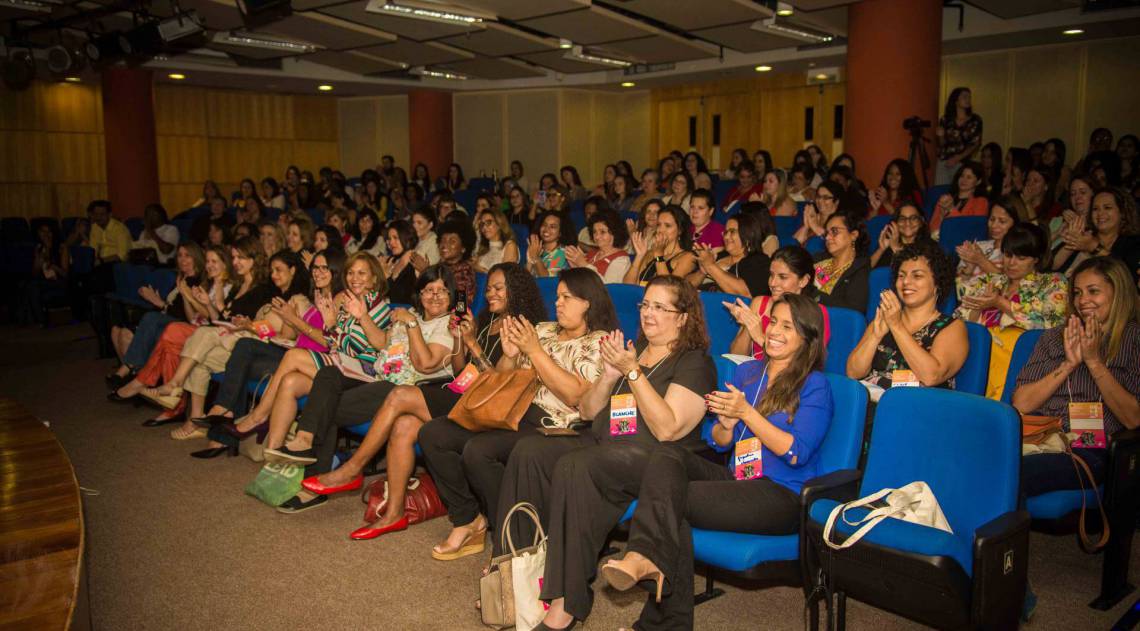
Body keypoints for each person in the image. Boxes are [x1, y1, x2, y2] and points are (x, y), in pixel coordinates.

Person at [599, 293, 830, 629]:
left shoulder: (815, 385)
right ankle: (648, 570)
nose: (775, 331)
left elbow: (796, 452)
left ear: (807, 338)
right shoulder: (748, 372)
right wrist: (726, 424)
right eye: (773, 322)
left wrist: (746, 413)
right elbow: (720, 443)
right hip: (738, 479)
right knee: (668, 454)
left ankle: (645, 565)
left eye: (788, 326)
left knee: (671, 500)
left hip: (781, 494)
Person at [500, 276, 715, 630]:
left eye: (660, 307)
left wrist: (632, 372)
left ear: (684, 317)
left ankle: (565, 603)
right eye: (645, 305)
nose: (648, 313)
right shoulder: (632, 351)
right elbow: (586, 411)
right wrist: (609, 375)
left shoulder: (694, 363)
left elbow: (668, 429)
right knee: (531, 451)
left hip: (656, 462)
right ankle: (515, 578)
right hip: (607, 446)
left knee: (575, 465)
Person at [295, 263, 547, 527]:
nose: (490, 293)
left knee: (400, 395)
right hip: (465, 392)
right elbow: (461, 368)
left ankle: (352, 468)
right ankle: (394, 513)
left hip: (486, 403)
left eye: (498, 288)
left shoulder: (522, 328)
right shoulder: (487, 320)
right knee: (404, 426)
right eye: (489, 288)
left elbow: (498, 384)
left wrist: (471, 342)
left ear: (515, 290)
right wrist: (460, 338)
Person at [417, 268, 615, 560]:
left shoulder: (597, 342)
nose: (558, 303)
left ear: (588, 302)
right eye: (558, 296)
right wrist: (510, 354)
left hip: (551, 423)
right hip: (511, 411)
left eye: (567, 297)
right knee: (434, 433)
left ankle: (513, 539)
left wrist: (535, 352)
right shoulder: (543, 329)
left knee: (478, 452)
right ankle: (468, 518)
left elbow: (575, 396)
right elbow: (500, 379)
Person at [261, 266, 458, 506]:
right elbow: (381, 344)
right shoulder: (409, 315)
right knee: (328, 374)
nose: (434, 296)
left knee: (328, 408)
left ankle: (316, 482)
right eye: (428, 290)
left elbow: (425, 364)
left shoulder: (449, 325)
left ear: (452, 295)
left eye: (442, 291)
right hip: (376, 377)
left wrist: (412, 326)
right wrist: (363, 316)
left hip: (404, 389)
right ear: (420, 294)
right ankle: (304, 440)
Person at [215, 251, 391, 445]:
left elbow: (360, 347)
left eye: (361, 273)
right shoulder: (348, 304)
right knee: (290, 382)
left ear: (374, 278)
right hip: (337, 367)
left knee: (292, 356)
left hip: (360, 373)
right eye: (351, 273)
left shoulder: (378, 305)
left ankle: (257, 417)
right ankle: (274, 453)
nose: (354, 278)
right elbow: (334, 342)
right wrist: (332, 324)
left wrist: (336, 324)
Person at [1013, 256, 1139, 500]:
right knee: (970, 458)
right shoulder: (1054, 337)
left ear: (1118, 293)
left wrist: (1093, 361)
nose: (1083, 301)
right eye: (1078, 293)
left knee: (1010, 474)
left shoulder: (1133, 339)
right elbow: (1021, 403)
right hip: (1039, 434)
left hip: (1089, 446)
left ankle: (985, 537)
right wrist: (1069, 365)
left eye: (1093, 291)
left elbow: (1133, 418)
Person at [191, 249, 345, 447]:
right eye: (316, 267)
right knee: (244, 348)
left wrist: (293, 319)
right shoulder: (314, 295)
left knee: (243, 358)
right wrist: (286, 318)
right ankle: (225, 414)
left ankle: (237, 421)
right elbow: (290, 336)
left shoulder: (339, 298)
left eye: (325, 268)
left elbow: (329, 341)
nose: (318, 272)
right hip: (292, 351)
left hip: (309, 360)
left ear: (336, 270)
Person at [147, 250, 308, 434]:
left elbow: (287, 338)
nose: (273, 275)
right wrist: (246, 324)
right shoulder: (273, 296)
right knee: (202, 360)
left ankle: (174, 384)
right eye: (271, 270)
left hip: (261, 350)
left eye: (279, 270)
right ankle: (195, 420)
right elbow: (266, 327)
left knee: (206, 334)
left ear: (293, 270)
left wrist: (251, 326)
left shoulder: (297, 299)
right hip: (248, 341)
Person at [956, 223, 1068, 398]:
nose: (1011, 263)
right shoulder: (989, 280)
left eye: (1021, 258)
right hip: (978, 355)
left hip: (1024, 360)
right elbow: (959, 321)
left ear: (1036, 259)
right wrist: (978, 309)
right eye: (1008, 255)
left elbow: (1052, 323)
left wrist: (1000, 302)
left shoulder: (1052, 283)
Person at [847, 241, 967, 402]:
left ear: (936, 284)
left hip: (915, 411)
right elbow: (853, 372)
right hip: (870, 405)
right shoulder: (885, 318)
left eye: (917, 276)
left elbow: (931, 376)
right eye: (901, 275)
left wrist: (896, 326)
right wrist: (875, 336)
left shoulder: (952, 327)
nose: (905, 282)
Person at [107, 243, 206, 387]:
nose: (183, 259)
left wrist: (159, 303)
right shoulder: (181, 279)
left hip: (182, 326)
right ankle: (132, 379)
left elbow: (187, 315)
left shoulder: (198, 282)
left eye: (187, 255)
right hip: (167, 320)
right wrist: (158, 301)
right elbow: (172, 307)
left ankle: (128, 370)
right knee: (116, 331)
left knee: (147, 320)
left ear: (196, 258)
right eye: (180, 255)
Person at [727, 245, 832, 359]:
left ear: (803, 281)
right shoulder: (759, 303)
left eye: (783, 277)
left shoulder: (815, 313)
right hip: (756, 373)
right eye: (771, 275)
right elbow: (735, 356)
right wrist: (749, 325)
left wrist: (760, 338)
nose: (773, 283)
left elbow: (805, 364)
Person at [1055, 188, 1140, 286]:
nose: (1100, 213)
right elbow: (1049, 266)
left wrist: (1094, 248)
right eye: (1095, 209)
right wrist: (1072, 240)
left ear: (1122, 213)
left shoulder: (1133, 243)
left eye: (1107, 207)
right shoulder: (1085, 235)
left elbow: (1127, 277)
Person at [86, 199, 137, 357]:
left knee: (101, 290)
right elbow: (93, 250)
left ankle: (108, 340)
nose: (99, 217)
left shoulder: (119, 229)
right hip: (101, 267)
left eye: (102, 214)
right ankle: (102, 337)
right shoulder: (95, 228)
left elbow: (122, 256)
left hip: (118, 267)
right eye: (96, 214)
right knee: (86, 287)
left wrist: (101, 260)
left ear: (109, 214)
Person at [688, 213, 770, 296]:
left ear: (748, 234)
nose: (726, 237)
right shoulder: (717, 256)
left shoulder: (759, 261)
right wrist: (702, 271)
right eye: (726, 232)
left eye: (732, 232)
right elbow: (685, 287)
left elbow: (745, 293)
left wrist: (710, 266)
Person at [813, 210, 870, 313]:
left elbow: (853, 310)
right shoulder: (818, 260)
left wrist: (815, 298)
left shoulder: (860, 269)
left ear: (853, 235)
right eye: (827, 233)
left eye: (834, 231)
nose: (827, 237)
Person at [956, 196, 1022, 283]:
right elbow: (958, 285)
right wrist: (969, 268)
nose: (994, 225)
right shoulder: (977, 247)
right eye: (992, 219)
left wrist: (981, 261)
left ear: (1016, 224)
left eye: (1002, 221)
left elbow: (1010, 283)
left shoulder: (1020, 254)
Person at [16, 222, 70, 327]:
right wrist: (38, 260)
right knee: (24, 284)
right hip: (44, 281)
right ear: (38, 234)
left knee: (32, 286)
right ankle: (28, 319)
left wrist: (53, 266)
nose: (46, 234)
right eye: (42, 231)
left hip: (59, 281)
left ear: (53, 233)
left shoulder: (61, 247)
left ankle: (39, 320)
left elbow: (65, 274)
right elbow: (35, 273)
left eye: (48, 231)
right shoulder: (38, 248)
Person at [564, 210, 632, 284]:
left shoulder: (622, 259)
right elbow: (582, 281)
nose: (597, 236)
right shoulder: (592, 254)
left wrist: (583, 264)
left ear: (615, 232)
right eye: (594, 232)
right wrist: (575, 267)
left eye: (602, 232)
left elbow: (608, 287)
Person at [935, 87, 983, 186]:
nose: (968, 100)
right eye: (964, 97)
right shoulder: (946, 119)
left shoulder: (975, 120)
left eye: (969, 97)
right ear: (956, 100)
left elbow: (975, 143)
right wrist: (940, 136)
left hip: (962, 161)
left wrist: (958, 158)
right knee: (941, 189)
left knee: (958, 188)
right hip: (945, 161)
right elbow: (942, 144)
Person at [1048, 175, 1094, 272]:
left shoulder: (1097, 229)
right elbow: (1036, 253)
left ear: (1093, 194)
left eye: (1083, 192)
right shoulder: (1058, 221)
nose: (1077, 197)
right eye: (1073, 194)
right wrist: (1057, 233)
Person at [930, 161, 989, 234]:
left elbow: (971, 229)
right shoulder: (945, 198)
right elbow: (932, 228)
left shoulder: (981, 202)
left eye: (969, 177)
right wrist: (942, 215)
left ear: (978, 181)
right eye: (962, 176)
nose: (964, 180)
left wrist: (951, 210)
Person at [872, 203, 935, 269]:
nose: (907, 223)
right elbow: (865, 271)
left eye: (913, 218)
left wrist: (896, 249)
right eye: (902, 219)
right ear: (895, 223)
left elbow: (917, 273)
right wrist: (881, 249)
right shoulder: (889, 242)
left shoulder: (930, 246)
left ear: (921, 221)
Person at [436, 219, 477, 300]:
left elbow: (460, 307)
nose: (444, 245)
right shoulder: (441, 266)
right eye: (443, 240)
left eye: (452, 241)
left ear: (463, 248)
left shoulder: (464, 272)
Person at [527, 210, 576, 278]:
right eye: (544, 225)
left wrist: (536, 257)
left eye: (552, 226)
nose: (546, 229)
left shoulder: (563, 252)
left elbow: (547, 280)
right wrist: (530, 260)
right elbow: (524, 278)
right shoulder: (536, 247)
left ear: (560, 232)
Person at [794, 181, 845, 246]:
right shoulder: (813, 217)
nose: (820, 200)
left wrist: (815, 226)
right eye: (818, 196)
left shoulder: (841, 221)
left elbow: (835, 243)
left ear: (837, 201)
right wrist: (806, 226)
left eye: (826, 197)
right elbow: (794, 242)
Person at [381, 220, 418, 305]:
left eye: (395, 238)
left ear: (407, 238)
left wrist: (386, 278)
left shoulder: (415, 262)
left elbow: (400, 298)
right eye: (389, 239)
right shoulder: (390, 261)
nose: (391, 242)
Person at [473, 207, 520, 273]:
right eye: (482, 224)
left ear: (499, 223)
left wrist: (481, 270)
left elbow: (505, 276)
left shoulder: (509, 246)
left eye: (488, 222)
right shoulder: (483, 247)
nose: (484, 227)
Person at [687, 189, 724, 253]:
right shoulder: (684, 228)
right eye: (692, 207)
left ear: (711, 211)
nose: (694, 211)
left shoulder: (719, 232)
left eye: (700, 208)